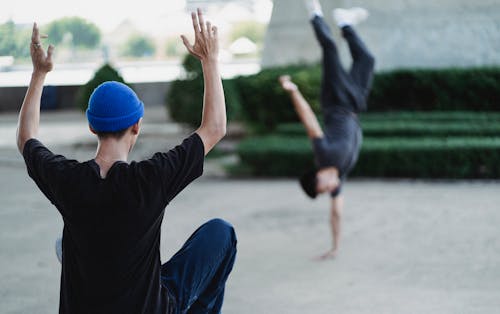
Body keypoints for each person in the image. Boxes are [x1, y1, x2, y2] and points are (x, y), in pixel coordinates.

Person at [17, 9, 236, 314]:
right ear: (137, 125)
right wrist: (210, 61)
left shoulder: (67, 180)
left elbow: (26, 138)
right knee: (221, 233)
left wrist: (39, 73)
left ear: (92, 127)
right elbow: (215, 128)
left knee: (66, 243)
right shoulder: (151, 178)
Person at [279, 0, 375, 260]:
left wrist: (294, 92)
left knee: (330, 48)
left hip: (335, 100)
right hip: (355, 104)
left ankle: (314, 13)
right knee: (366, 59)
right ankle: (345, 22)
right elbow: (336, 213)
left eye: (322, 188)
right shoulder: (340, 175)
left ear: (318, 176)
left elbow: (310, 121)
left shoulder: (324, 154)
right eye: (326, 192)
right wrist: (335, 247)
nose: (329, 189)